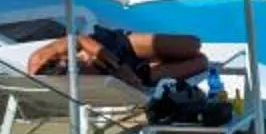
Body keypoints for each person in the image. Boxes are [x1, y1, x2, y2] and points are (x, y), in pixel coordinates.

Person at [27, 24, 215, 90]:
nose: (69, 60)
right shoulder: (69, 87)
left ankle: (156, 55)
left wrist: (112, 62)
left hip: (114, 48)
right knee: (201, 62)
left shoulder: (39, 58)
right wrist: (126, 78)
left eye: (67, 60)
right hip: (131, 76)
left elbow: (79, 39)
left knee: (193, 44)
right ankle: (156, 60)